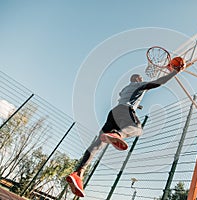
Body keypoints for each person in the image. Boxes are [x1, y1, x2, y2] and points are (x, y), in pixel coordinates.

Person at [66, 57, 186, 197]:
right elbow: (157, 83)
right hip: (124, 110)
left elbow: (128, 96)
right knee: (138, 128)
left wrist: (138, 103)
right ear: (137, 80)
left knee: (97, 144)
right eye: (140, 78)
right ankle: (118, 135)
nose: (142, 79)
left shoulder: (125, 89)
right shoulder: (138, 85)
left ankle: (78, 172)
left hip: (113, 113)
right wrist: (174, 72)